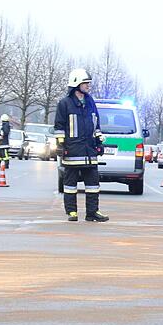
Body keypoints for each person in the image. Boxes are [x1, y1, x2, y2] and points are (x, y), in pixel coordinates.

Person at [54, 68, 109, 222]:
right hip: (72, 151)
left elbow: (96, 124)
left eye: (89, 83)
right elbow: (59, 127)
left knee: (93, 185)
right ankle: (72, 212)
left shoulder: (90, 102)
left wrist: (98, 142)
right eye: (86, 83)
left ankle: (92, 212)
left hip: (89, 151)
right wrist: (61, 145)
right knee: (70, 185)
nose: (88, 86)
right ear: (76, 83)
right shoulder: (65, 104)